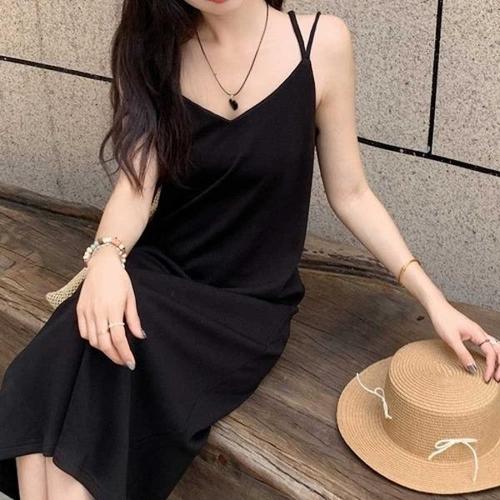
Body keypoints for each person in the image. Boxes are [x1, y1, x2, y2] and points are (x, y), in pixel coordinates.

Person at [0, 1, 498, 499]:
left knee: (76, 430)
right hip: (158, 272)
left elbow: (352, 194)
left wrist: (433, 300)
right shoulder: (159, 51)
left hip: (245, 305)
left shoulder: (322, 44)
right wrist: (107, 257)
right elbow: (135, 187)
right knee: (41, 389)